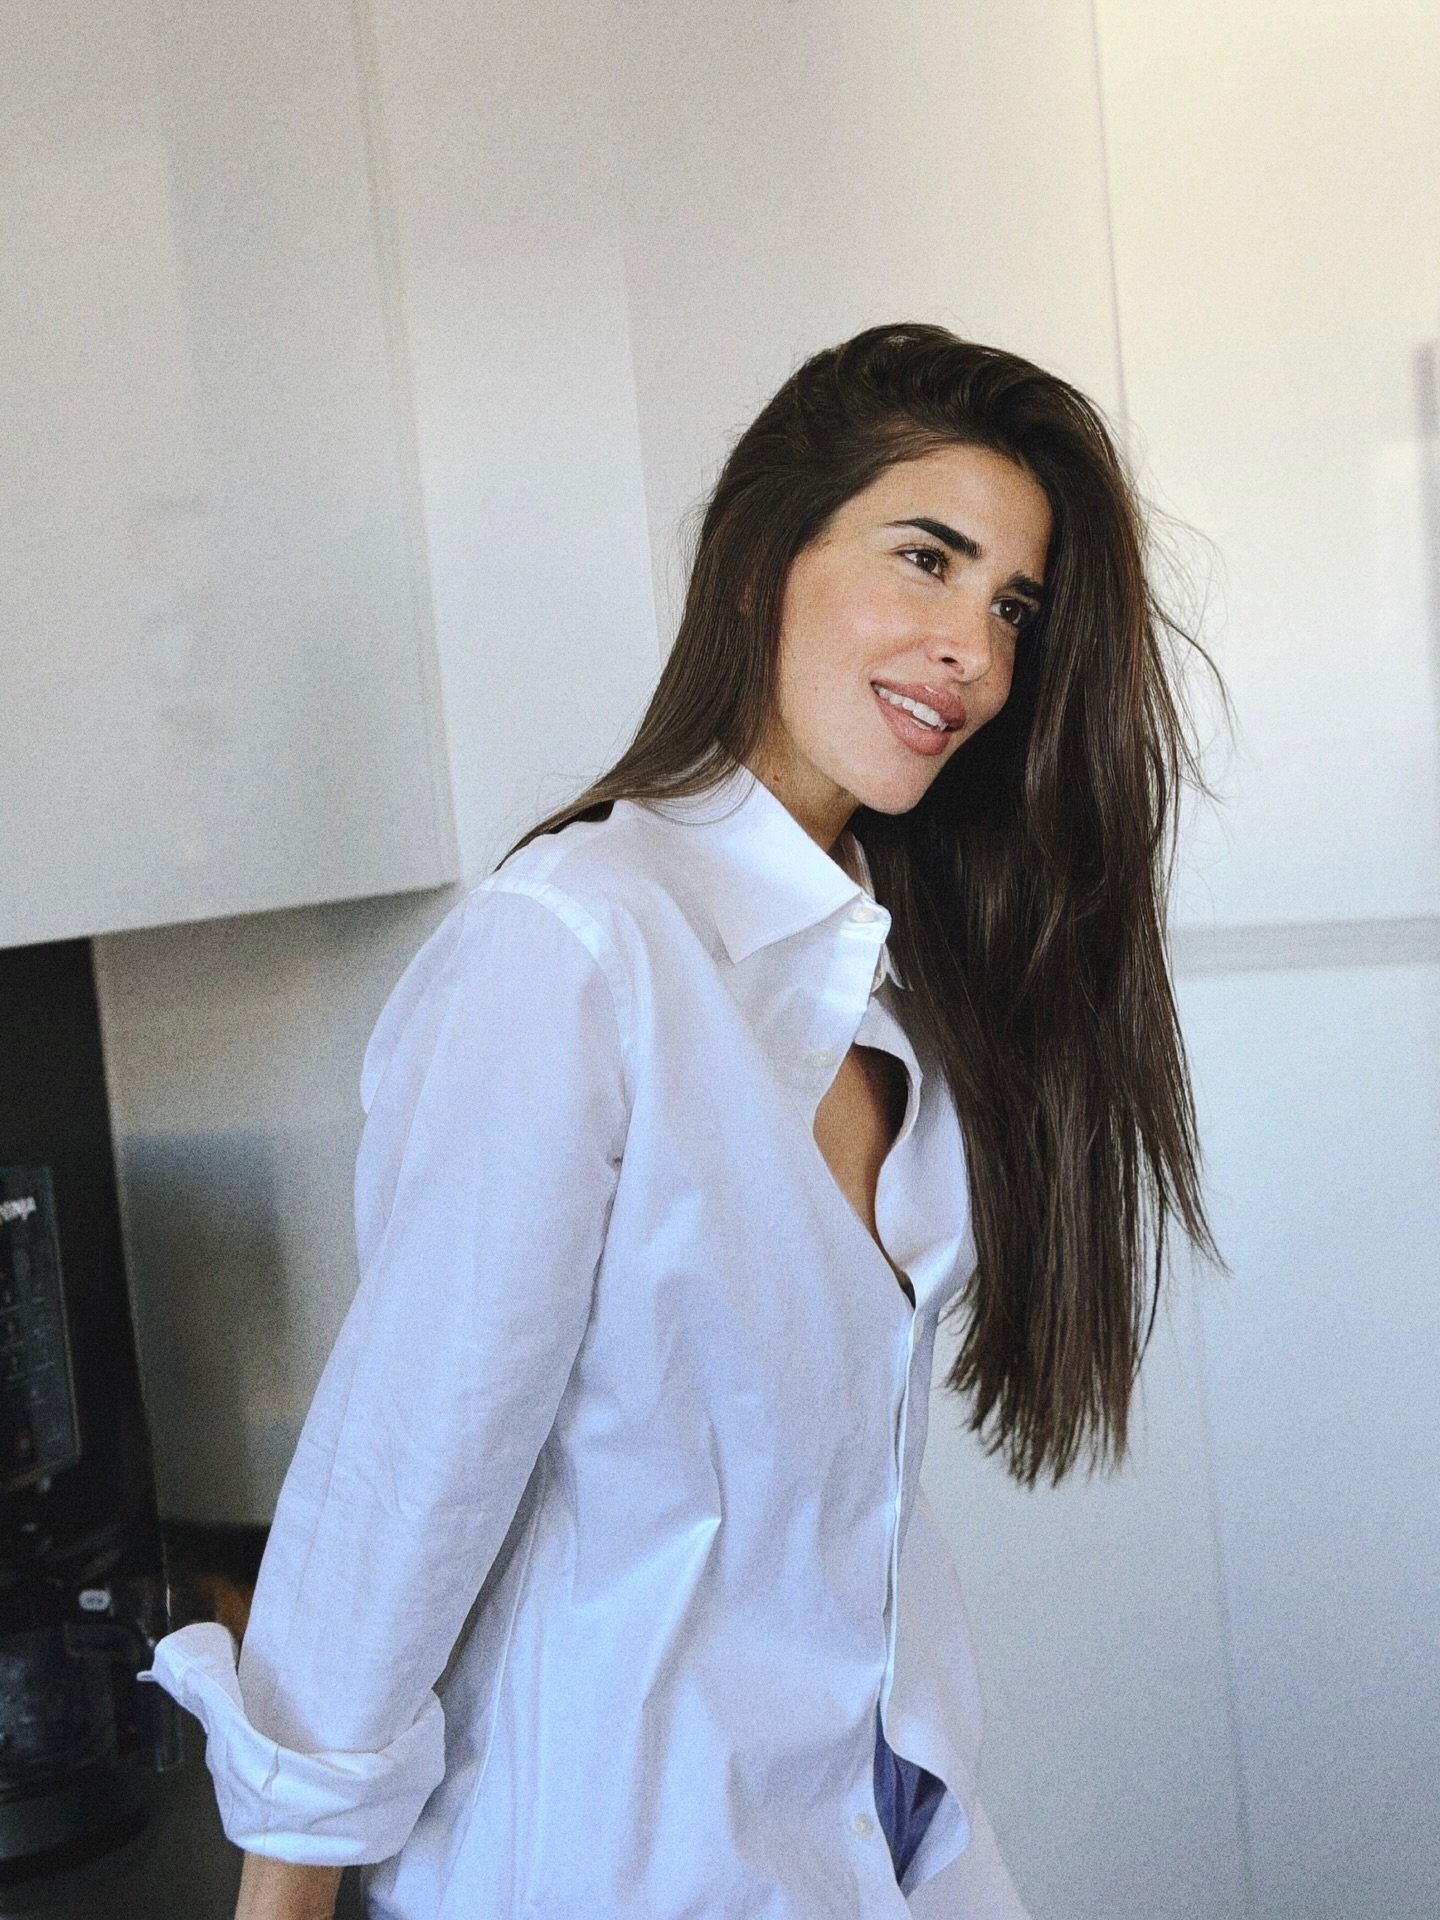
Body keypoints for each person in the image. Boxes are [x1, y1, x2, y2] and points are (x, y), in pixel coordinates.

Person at [143, 321, 1225, 1919]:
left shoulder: (892, 981)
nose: (975, 655)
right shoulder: (578, 946)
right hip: (609, 1865)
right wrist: (285, 1897)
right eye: (926, 559)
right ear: (762, 564)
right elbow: (406, 1477)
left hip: (868, 1843)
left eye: (1011, 605)